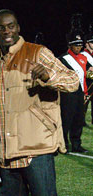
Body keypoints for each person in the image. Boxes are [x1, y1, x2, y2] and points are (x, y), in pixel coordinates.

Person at [0, 9, 80, 196]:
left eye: (11, 26)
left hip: (36, 152)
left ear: (18, 28)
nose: (6, 31)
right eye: (0, 28)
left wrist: (48, 75)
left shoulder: (37, 53)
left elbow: (72, 81)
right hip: (5, 157)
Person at [59, 15, 89, 153]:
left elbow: (84, 77)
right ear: (70, 45)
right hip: (68, 93)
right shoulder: (63, 59)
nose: (79, 47)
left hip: (80, 92)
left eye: (80, 44)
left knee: (78, 120)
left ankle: (76, 144)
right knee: (66, 119)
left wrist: (85, 93)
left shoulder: (83, 58)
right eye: (76, 44)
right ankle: (63, 144)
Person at [82, 23, 93, 125]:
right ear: (86, 44)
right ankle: (81, 120)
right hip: (87, 84)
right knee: (84, 103)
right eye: (92, 42)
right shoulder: (83, 56)